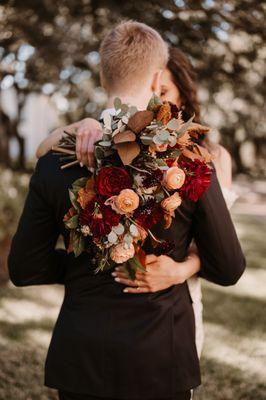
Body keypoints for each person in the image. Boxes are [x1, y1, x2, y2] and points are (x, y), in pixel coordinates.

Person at [8, 21, 245, 400]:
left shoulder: (56, 163)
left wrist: (82, 264)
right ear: (156, 79)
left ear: (103, 76)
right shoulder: (190, 162)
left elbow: (23, 268)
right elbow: (230, 267)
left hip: (82, 361)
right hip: (161, 361)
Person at [37, 47, 237, 358]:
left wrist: (182, 271)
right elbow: (42, 152)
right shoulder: (122, 144)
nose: (156, 100)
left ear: (183, 95)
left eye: (164, 92)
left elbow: (221, 247)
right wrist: (84, 124)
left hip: (176, 296)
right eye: (154, 91)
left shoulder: (208, 158)